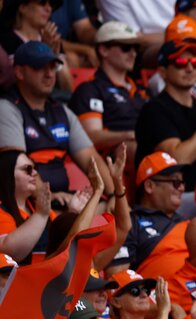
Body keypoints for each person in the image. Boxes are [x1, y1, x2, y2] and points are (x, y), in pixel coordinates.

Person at [0, 41, 114, 197]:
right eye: (39, 67)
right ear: (19, 72)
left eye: (53, 67)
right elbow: (19, 168)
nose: (49, 74)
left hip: (63, 201)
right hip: (29, 205)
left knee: (108, 208)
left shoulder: (62, 111)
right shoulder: (7, 108)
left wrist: (115, 196)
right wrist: (48, 198)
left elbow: (91, 160)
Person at [135, 40, 196, 202]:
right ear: (163, 71)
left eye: (194, 62)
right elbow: (177, 159)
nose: (190, 68)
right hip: (169, 198)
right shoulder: (154, 109)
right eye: (180, 62)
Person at [69, 21, 147, 158]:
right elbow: (90, 137)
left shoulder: (142, 90)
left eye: (135, 48)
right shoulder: (90, 89)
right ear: (103, 50)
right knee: (138, 149)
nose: (133, 53)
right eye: (126, 48)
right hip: (113, 156)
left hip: (148, 149)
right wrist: (129, 135)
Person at [109, 151, 188, 280]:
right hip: (157, 297)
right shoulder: (129, 224)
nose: (182, 188)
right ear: (150, 186)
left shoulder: (190, 224)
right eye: (175, 182)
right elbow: (116, 279)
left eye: (182, 182)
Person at [0, 150, 53, 264]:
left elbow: (63, 241)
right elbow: (8, 253)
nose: (34, 173)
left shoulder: (38, 205)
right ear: (7, 174)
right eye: (27, 169)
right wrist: (41, 215)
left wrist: (75, 212)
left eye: (35, 168)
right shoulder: (1, 211)